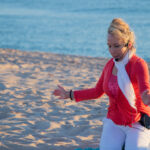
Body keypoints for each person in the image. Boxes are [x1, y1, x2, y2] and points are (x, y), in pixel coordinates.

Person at [53, 18, 150, 150]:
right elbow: (97, 91)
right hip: (114, 121)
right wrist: (69, 94)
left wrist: (147, 97)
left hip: (137, 121)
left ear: (129, 44)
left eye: (116, 46)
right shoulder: (109, 65)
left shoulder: (138, 64)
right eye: (109, 46)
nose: (112, 50)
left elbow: (145, 92)